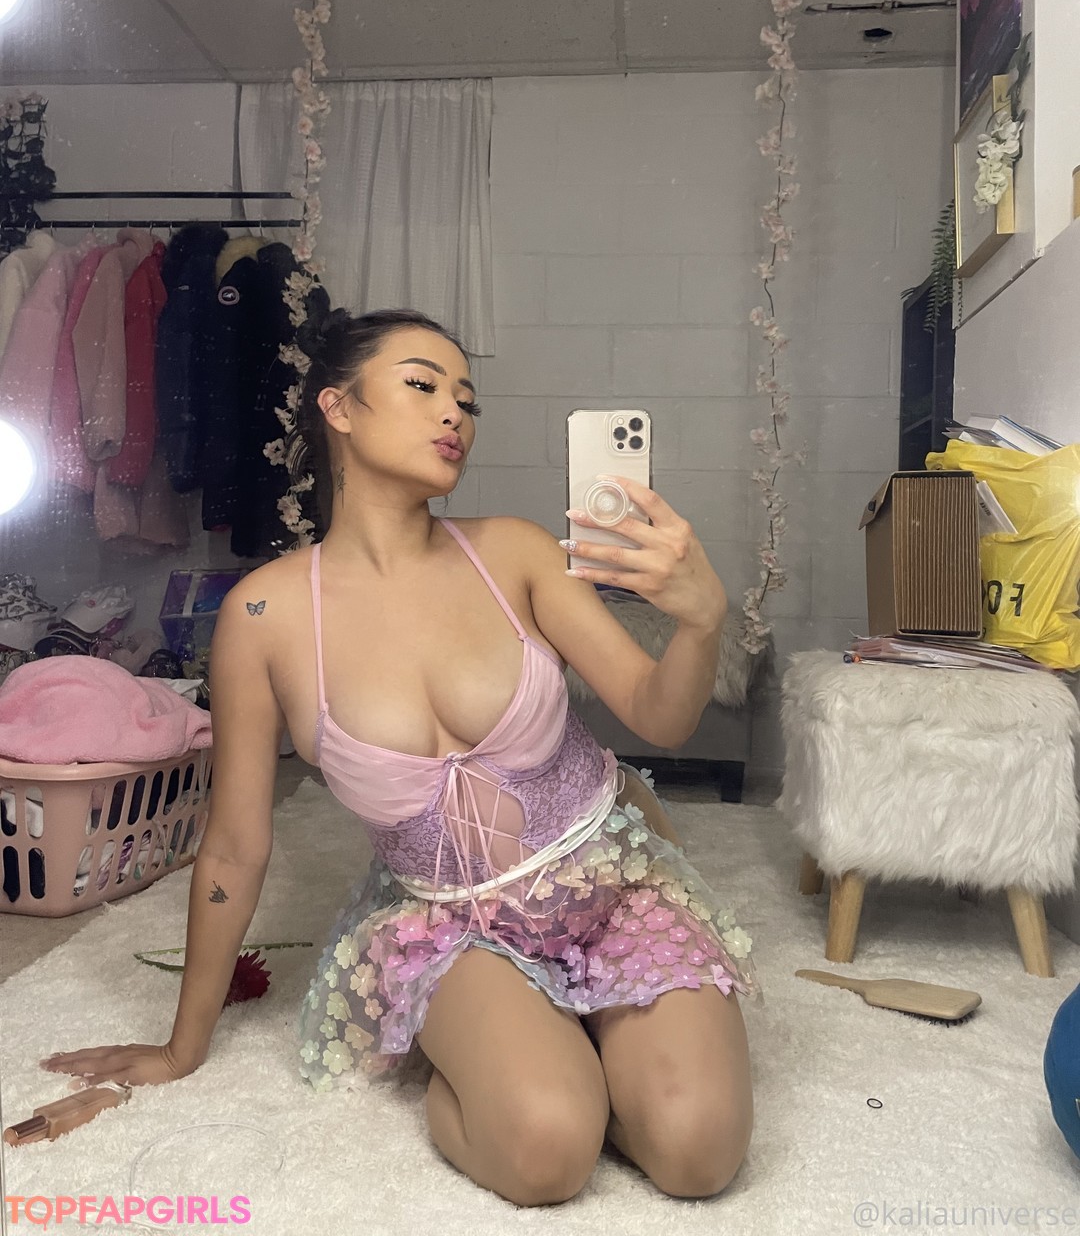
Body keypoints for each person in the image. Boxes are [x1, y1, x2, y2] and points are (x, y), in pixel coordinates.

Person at [43, 302, 759, 1208]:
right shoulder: (263, 616)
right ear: (339, 407)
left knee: (698, 1154)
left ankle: (587, 1045)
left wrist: (701, 621)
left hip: (612, 882)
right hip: (457, 920)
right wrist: (183, 1046)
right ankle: (514, 1054)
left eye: (467, 399)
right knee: (547, 1152)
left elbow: (662, 717)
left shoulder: (515, 552)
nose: (454, 412)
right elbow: (233, 847)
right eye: (422, 386)